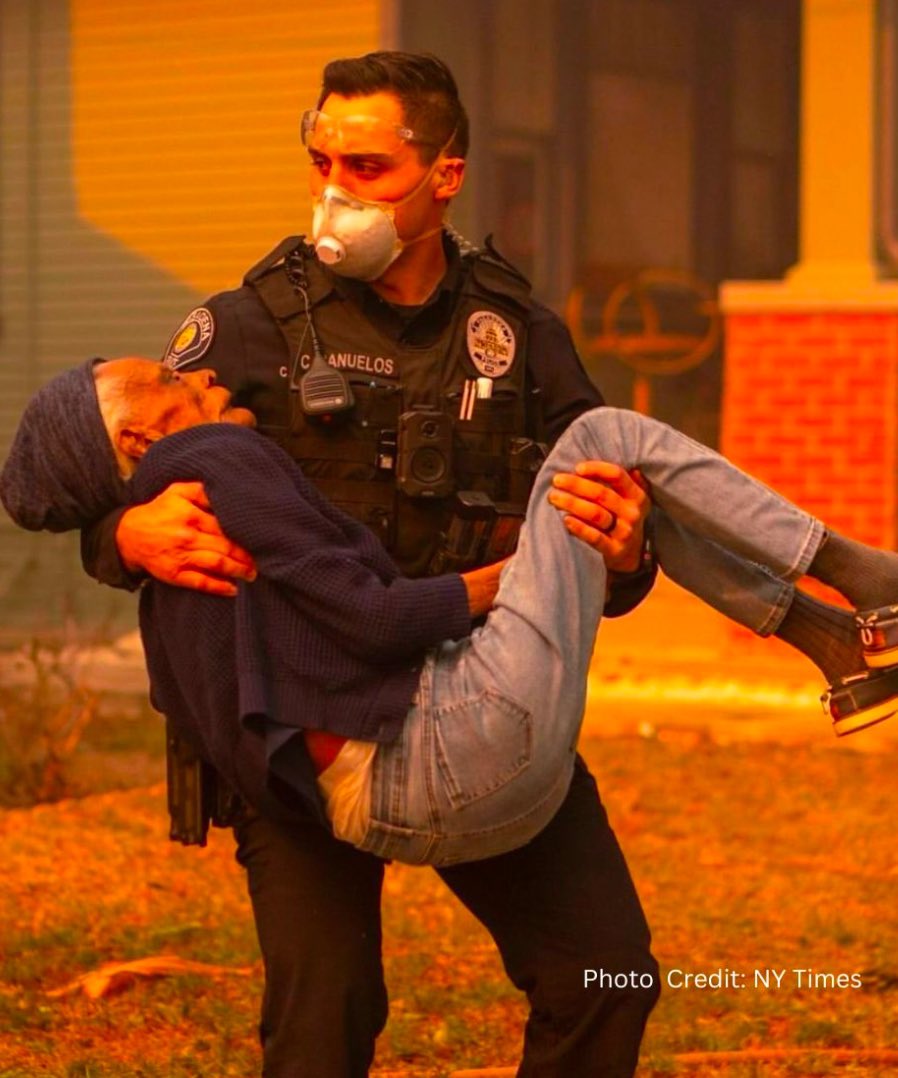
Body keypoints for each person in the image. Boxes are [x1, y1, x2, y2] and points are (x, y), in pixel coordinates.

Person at [75, 52, 663, 1078]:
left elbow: (609, 523)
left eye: (369, 166)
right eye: (320, 161)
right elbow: (108, 481)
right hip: (302, 727)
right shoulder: (244, 326)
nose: (336, 190)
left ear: (446, 175)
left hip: (478, 706)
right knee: (327, 1012)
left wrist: (623, 555)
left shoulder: (518, 334)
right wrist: (126, 537)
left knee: (606, 973)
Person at [3, 358, 898, 867]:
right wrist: (525, 568)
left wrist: (589, 550)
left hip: (398, 815)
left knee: (607, 484)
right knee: (604, 441)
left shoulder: (172, 566)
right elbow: (380, 618)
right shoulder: (209, 458)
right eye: (168, 376)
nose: (196, 371)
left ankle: (835, 647)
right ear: (136, 442)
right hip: (452, 745)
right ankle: (868, 578)